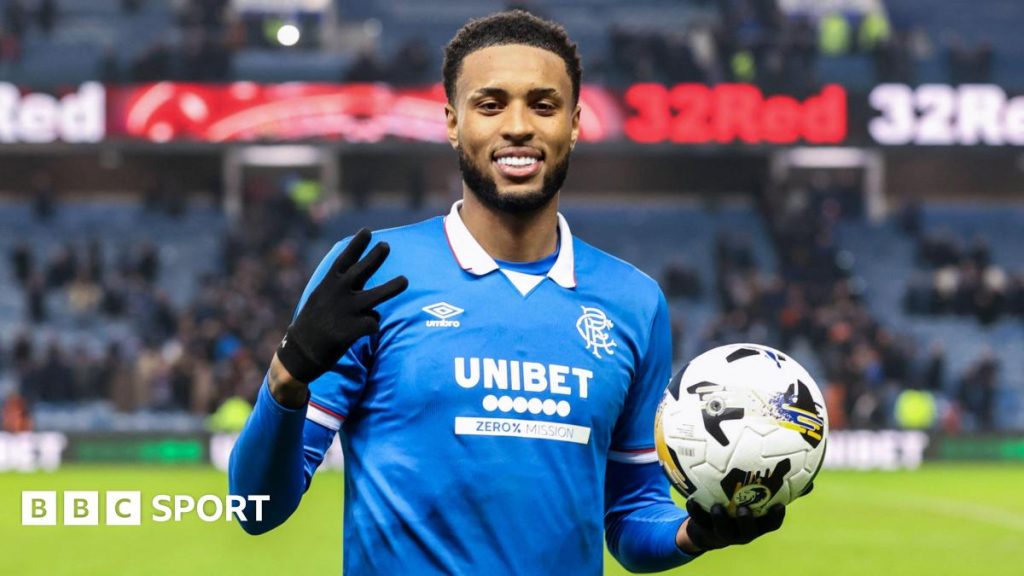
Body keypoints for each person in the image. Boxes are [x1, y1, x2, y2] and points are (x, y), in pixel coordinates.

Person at [229, 10, 789, 575]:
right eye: (490, 104)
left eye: (543, 105)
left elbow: (631, 513)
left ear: (574, 124)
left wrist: (694, 533)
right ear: (453, 123)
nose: (518, 126)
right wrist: (287, 376)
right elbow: (257, 508)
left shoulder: (635, 302)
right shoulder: (370, 273)